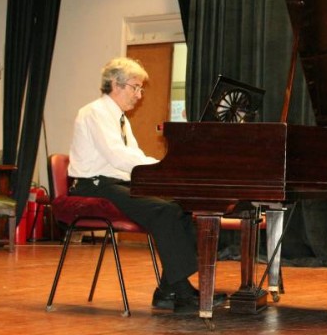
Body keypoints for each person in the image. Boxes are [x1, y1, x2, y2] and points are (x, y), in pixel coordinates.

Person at [67, 57, 225, 313]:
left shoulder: (120, 118)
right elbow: (116, 156)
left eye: (140, 88)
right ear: (116, 85)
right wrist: (161, 170)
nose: (139, 95)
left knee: (180, 208)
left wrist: (163, 169)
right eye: (135, 87)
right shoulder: (95, 112)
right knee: (163, 211)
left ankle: (168, 290)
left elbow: (135, 155)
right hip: (93, 186)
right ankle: (182, 294)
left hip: (116, 183)